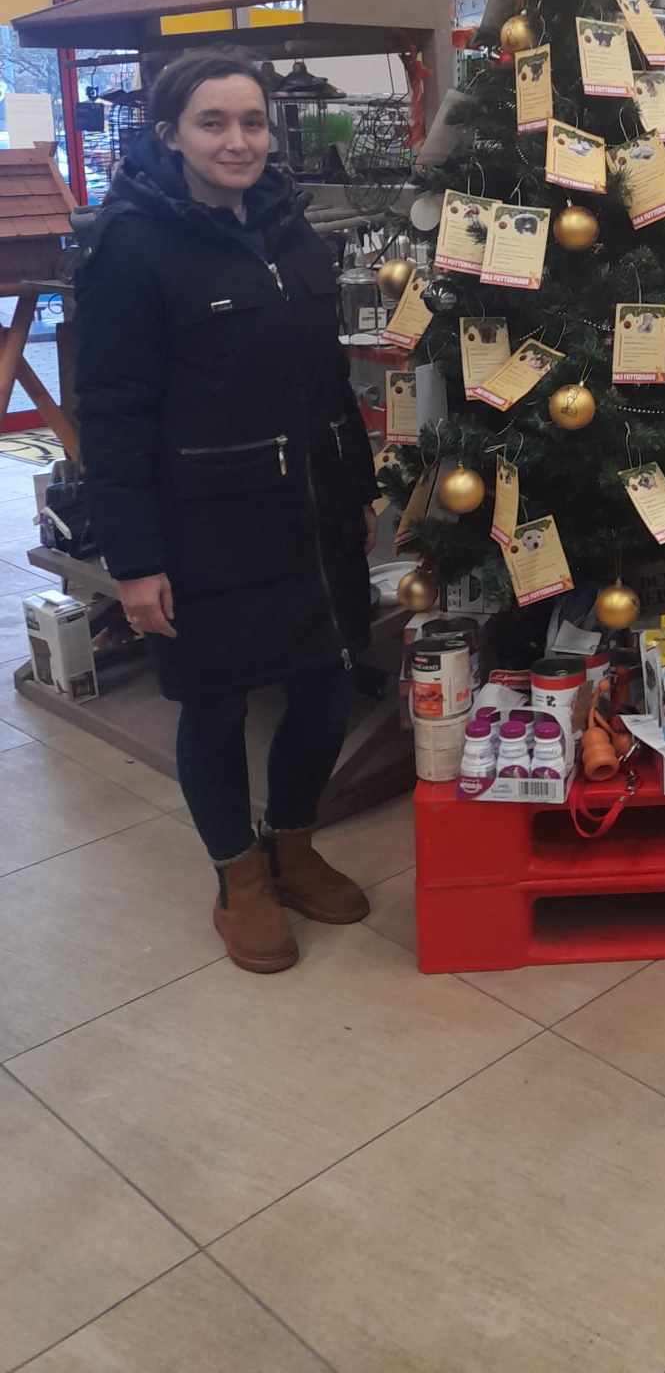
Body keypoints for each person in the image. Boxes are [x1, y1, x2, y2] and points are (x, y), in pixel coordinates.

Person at [74, 50, 380, 975]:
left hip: (310, 507)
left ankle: (291, 839)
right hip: (202, 518)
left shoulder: (290, 227)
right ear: (170, 135)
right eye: (214, 123)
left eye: (251, 121)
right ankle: (237, 875)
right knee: (213, 704)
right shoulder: (129, 245)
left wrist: (356, 485)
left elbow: (330, 377)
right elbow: (114, 410)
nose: (238, 140)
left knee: (327, 685)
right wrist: (133, 559)